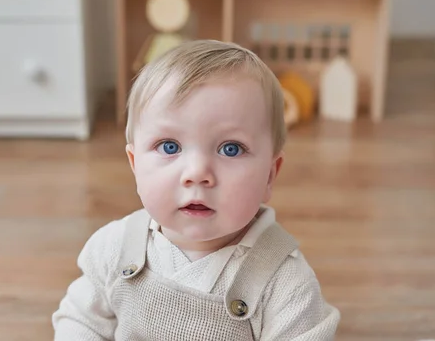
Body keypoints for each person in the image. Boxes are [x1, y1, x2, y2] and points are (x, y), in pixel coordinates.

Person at [52, 40, 340, 340]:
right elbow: (81, 321)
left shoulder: (285, 283)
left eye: (230, 149)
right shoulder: (116, 248)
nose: (197, 174)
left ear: (270, 175)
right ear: (135, 164)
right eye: (169, 146)